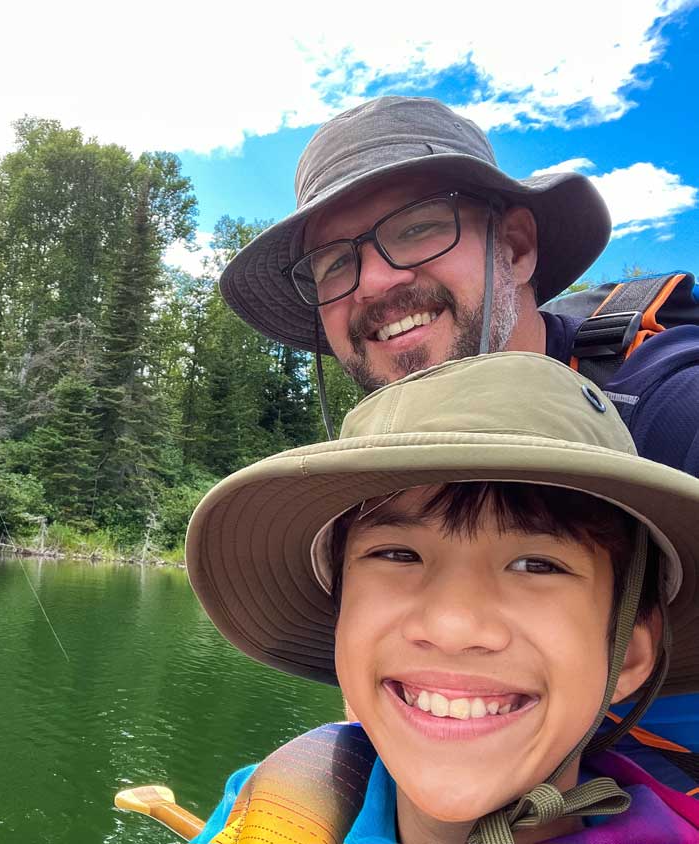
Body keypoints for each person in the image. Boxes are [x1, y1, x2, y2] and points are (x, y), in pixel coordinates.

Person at [216, 94, 699, 751]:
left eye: (418, 226)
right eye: (334, 263)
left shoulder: (668, 408)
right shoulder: (378, 469)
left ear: (518, 249)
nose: (375, 282)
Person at [185, 352, 699, 843]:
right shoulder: (272, 803)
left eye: (536, 565)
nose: (452, 625)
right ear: (341, 618)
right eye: (397, 555)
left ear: (628, 653)